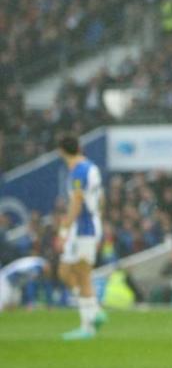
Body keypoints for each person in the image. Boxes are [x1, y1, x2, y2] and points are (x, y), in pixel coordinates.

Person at [56, 135, 107, 341]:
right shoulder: (91, 167)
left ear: (61, 151)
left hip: (83, 228)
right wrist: (99, 219)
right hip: (90, 225)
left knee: (82, 274)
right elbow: (101, 198)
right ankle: (94, 311)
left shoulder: (78, 171)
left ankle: (88, 326)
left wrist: (63, 229)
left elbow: (77, 202)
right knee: (65, 272)